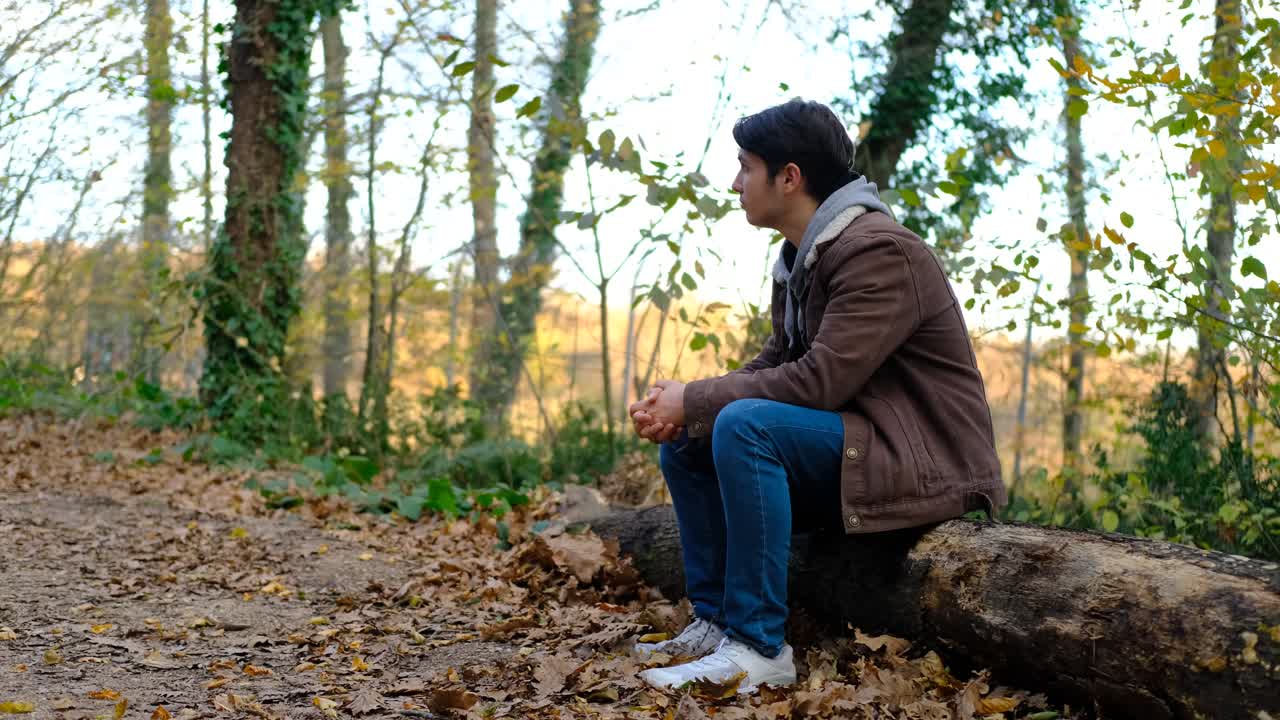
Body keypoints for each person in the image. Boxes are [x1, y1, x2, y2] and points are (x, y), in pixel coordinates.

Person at [626, 99, 1005, 694]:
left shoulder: (879, 250)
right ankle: (718, 622)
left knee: (741, 424)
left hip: (923, 462)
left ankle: (758, 648)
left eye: (745, 167)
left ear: (790, 176)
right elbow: (781, 360)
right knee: (692, 441)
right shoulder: (803, 257)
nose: (735, 183)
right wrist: (686, 408)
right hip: (858, 446)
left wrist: (699, 398)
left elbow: (819, 381)